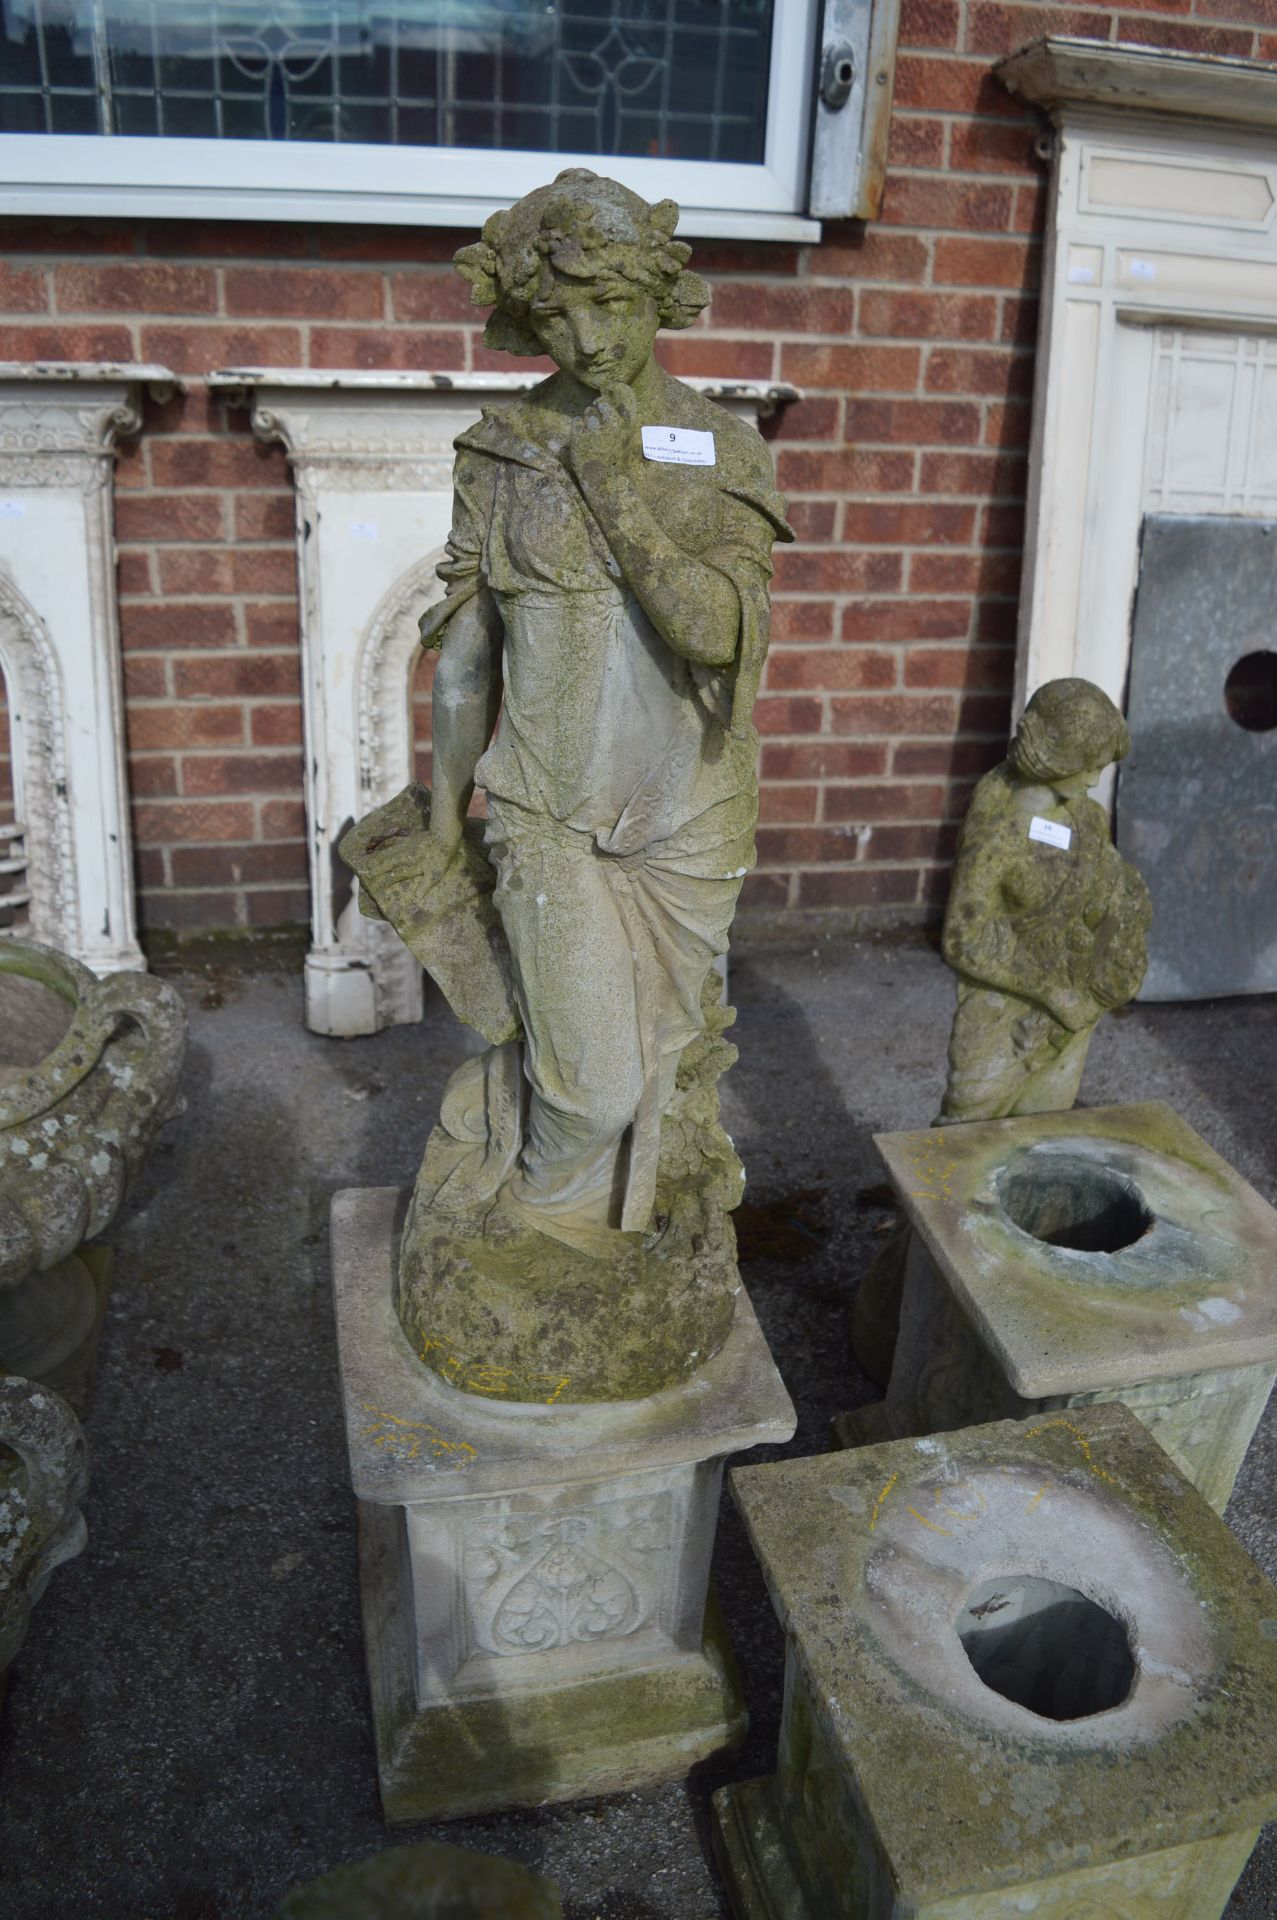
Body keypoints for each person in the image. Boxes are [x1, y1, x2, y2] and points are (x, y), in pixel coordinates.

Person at [408, 169, 792, 1246]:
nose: (584, 338)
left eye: (609, 305)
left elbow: (719, 632)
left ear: (656, 297)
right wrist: (444, 820)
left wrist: (614, 487)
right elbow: (466, 658)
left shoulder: (720, 446)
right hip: (547, 806)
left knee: (675, 1064)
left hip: (689, 811)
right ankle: (526, 1215)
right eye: (555, 314)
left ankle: (604, 1245)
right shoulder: (501, 450)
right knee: (593, 1087)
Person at [937, 676, 1150, 1122]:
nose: (1094, 778)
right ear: (1054, 755)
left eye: (1101, 766)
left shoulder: (1086, 817)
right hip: (1004, 1016)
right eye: (1088, 764)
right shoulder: (996, 835)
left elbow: (1114, 889)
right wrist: (1053, 994)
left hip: (1075, 1006)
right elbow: (962, 941)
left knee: (1047, 1122)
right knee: (966, 1131)